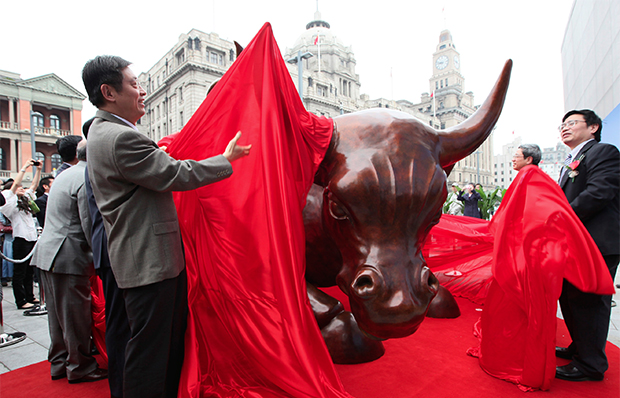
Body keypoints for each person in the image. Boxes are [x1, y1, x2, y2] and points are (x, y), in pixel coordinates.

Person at [82, 55, 251, 398]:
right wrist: (226, 160)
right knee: (150, 355)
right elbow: (175, 173)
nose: (142, 92)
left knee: (160, 348)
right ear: (108, 92)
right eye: (133, 84)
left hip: (147, 260)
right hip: (149, 264)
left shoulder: (105, 132)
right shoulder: (119, 138)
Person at [30, 139, 107, 383]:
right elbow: (89, 224)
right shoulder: (85, 176)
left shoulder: (65, 173)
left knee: (57, 316)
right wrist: (102, 259)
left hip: (49, 253)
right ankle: (79, 366)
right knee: (75, 316)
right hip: (68, 254)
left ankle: (60, 362)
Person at [555, 109, 620, 382]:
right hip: (576, 242)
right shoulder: (569, 162)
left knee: (589, 302)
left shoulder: (603, 151)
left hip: (597, 242)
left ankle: (591, 365)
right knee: (570, 297)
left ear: (593, 127)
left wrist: (560, 218)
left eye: (572, 123)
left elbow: (599, 192)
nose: (565, 128)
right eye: (562, 124)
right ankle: (581, 347)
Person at [82, 117, 129, 398]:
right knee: (120, 322)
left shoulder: (92, 165)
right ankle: (122, 386)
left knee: (118, 321)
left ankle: (120, 384)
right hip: (114, 248)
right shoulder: (100, 162)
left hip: (106, 248)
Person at [0, 159, 42, 309]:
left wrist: (38, 170)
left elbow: (34, 186)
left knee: (30, 271)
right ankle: (21, 300)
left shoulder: (26, 200)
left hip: (31, 237)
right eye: (18, 188)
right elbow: (14, 186)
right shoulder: (9, 203)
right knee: (20, 271)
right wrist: (25, 167)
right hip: (20, 239)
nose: (21, 189)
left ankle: (30, 296)